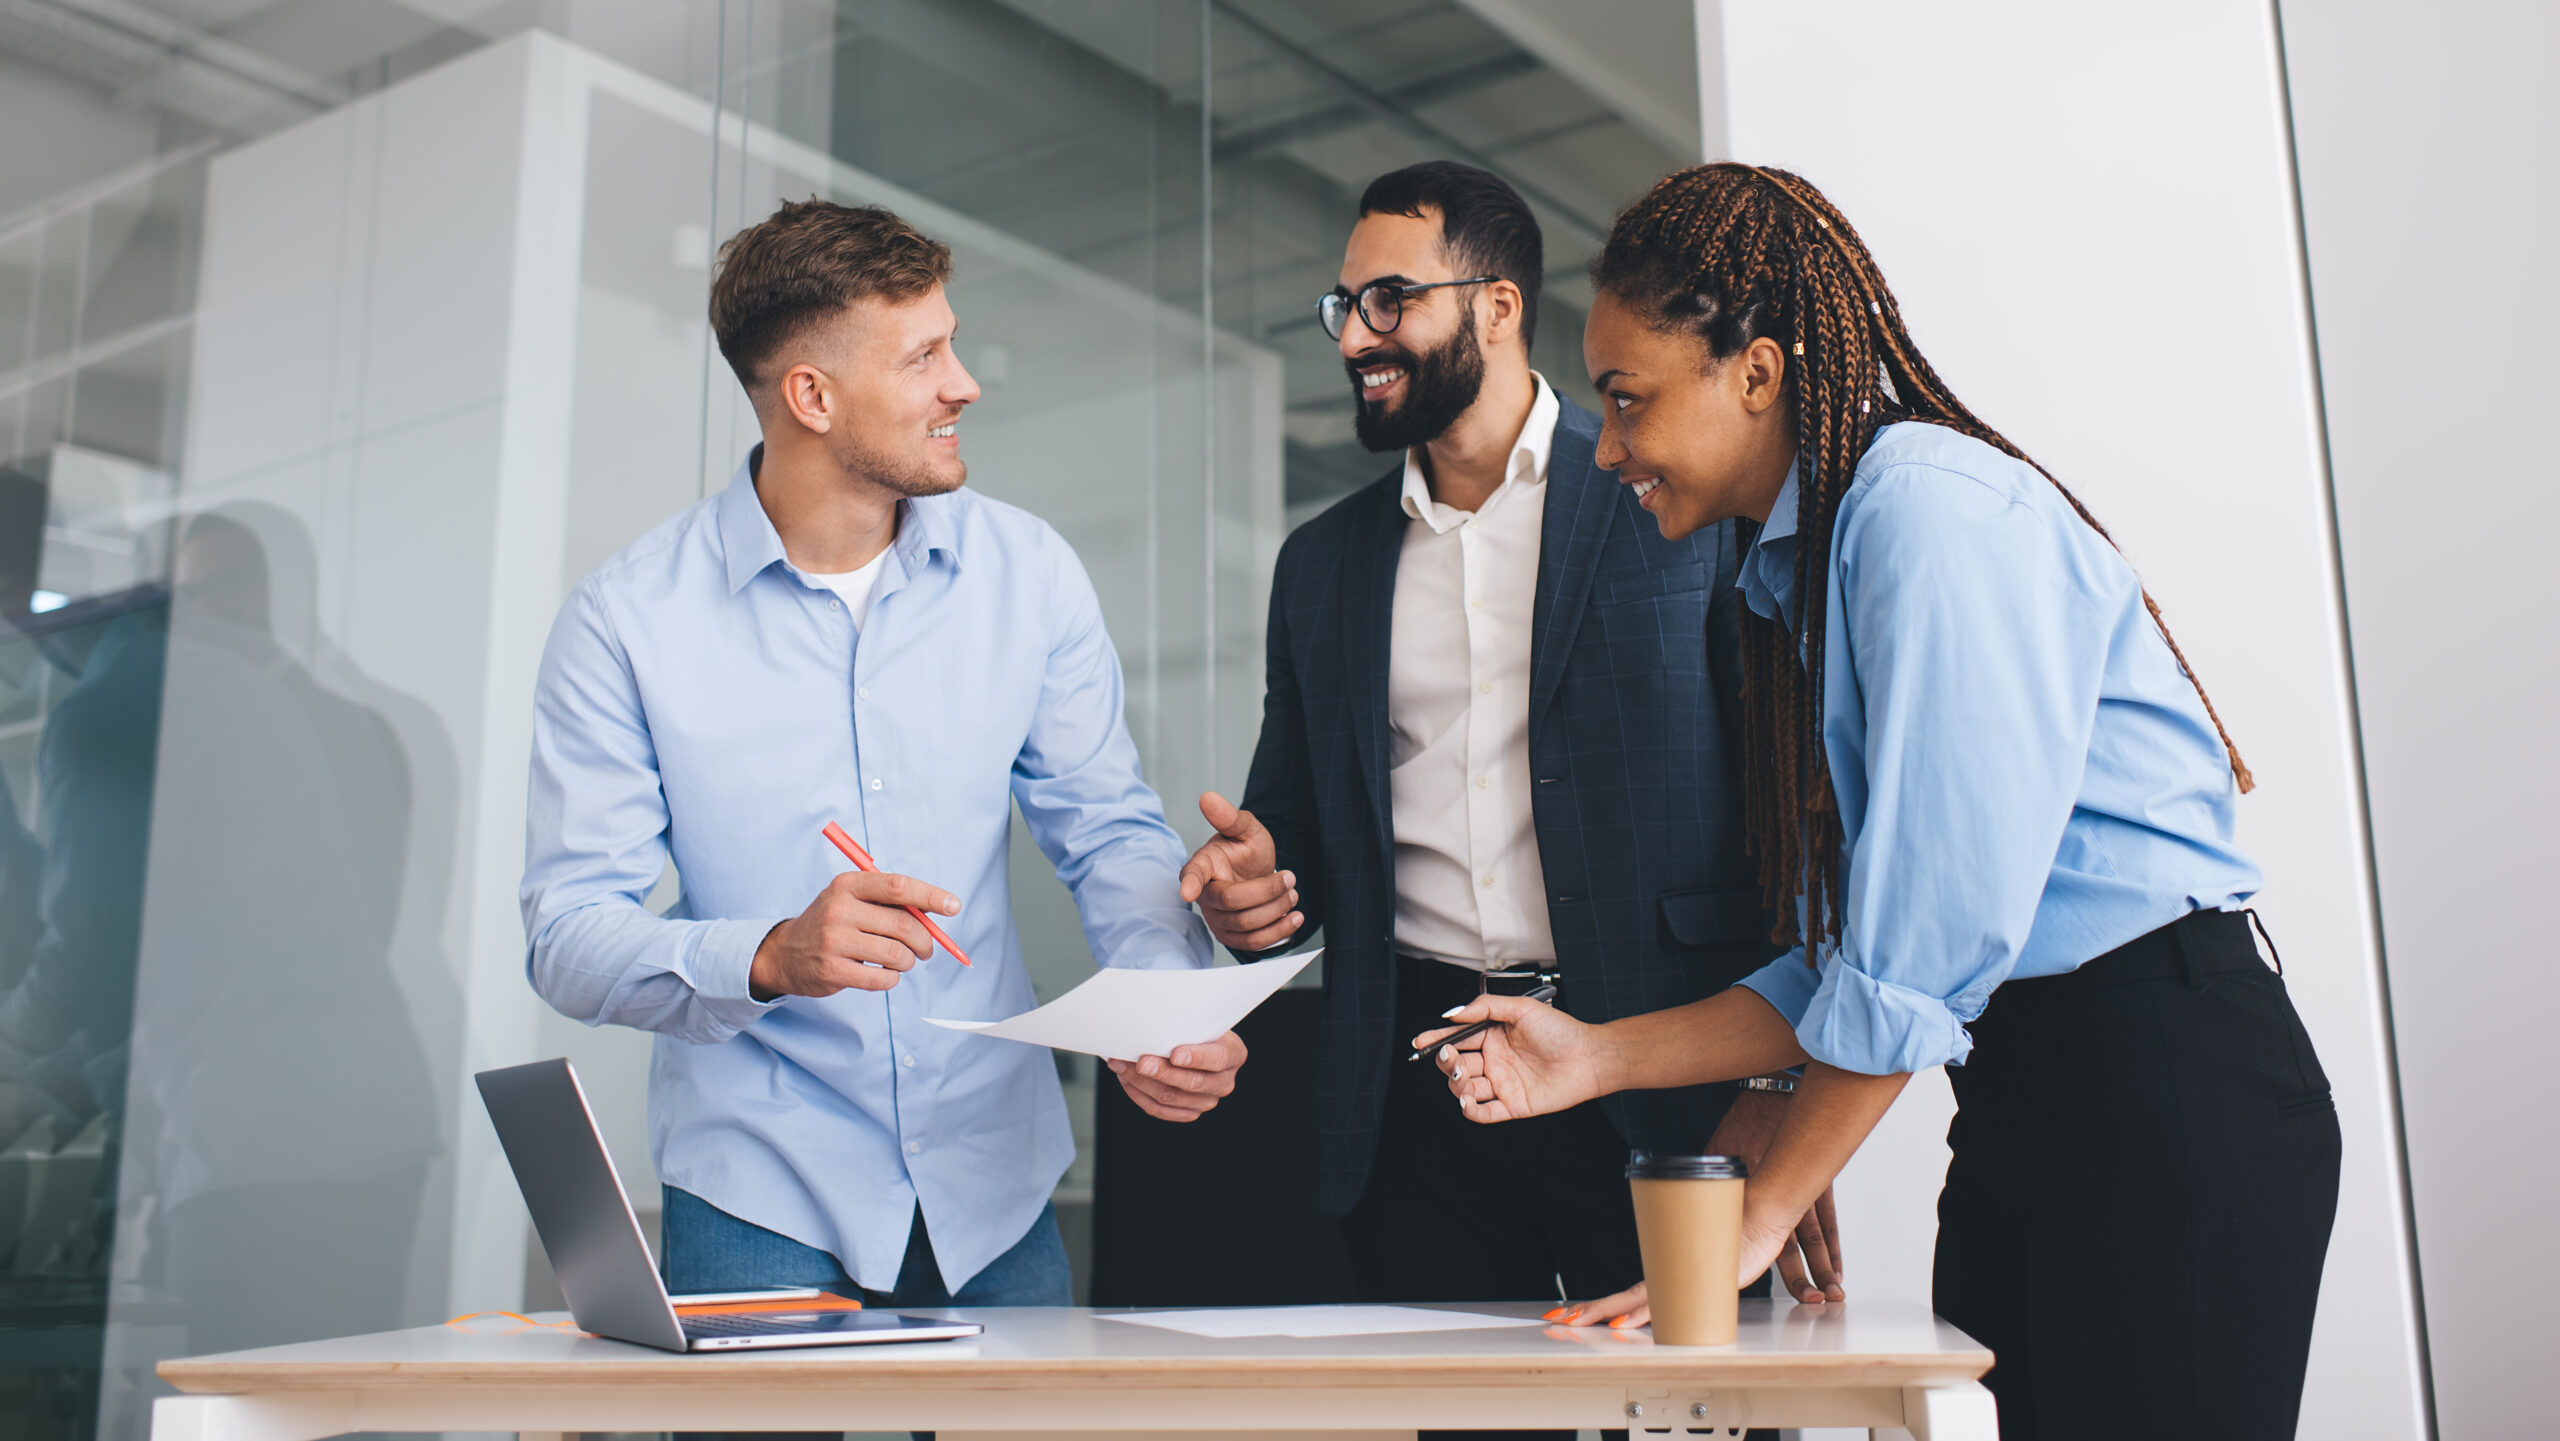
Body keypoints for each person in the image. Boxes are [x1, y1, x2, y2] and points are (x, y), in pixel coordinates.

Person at [1422, 163, 2341, 1440]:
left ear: (1756, 370)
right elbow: (1853, 961)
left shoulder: (1921, 511)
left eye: (1629, 401)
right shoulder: (1812, 556)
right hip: (2040, 1090)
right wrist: (1595, 1055)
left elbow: (1924, 953)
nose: (1611, 446)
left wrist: (1755, 1208)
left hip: (2161, 1081)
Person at [522, 201, 1244, 1341]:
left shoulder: (1029, 575)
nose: (963, 383)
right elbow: (567, 930)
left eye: (951, 342)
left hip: (993, 1185)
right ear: (811, 396)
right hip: (759, 1185)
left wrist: (1160, 1004)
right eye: (923, 357)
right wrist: (766, 953)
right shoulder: (627, 621)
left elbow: (1107, 830)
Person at [1175, 161, 1842, 1391]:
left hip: (1653, 1076)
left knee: (1702, 1421)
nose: (1356, 338)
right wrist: (1255, 886)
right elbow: (1299, 842)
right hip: (1418, 1098)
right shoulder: (1321, 564)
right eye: (1344, 309)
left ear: (1496, 306)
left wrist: (1776, 1095)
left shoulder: (1674, 490)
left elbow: (1790, 830)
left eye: (1388, 301)